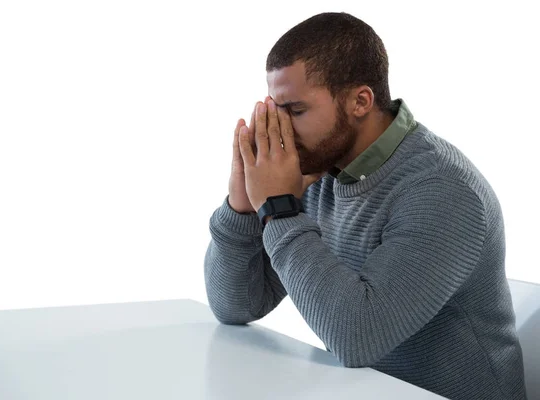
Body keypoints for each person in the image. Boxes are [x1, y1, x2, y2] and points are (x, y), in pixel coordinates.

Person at [203, 12, 527, 400]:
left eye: (296, 111)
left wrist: (279, 209)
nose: (282, 129)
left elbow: (358, 338)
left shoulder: (442, 191)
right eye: (276, 110)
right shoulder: (322, 173)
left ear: (360, 101)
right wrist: (241, 207)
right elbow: (236, 305)